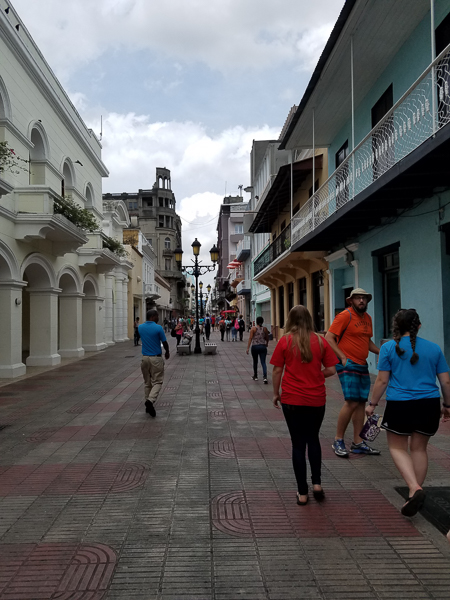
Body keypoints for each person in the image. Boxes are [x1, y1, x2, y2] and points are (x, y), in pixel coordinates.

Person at [366, 309, 450, 517]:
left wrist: (372, 404)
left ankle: (414, 488)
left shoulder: (388, 348)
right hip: (429, 404)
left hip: (400, 405)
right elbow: (446, 381)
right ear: (418, 326)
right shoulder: (434, 348)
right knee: (419, 449)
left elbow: (382, 380)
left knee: (397, 447)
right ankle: (414, 493)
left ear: (395, 327)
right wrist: (447, 405)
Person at [271, 305, 337, 505]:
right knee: (313, 439)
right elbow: (331, 369)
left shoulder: (285, 341)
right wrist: (317, 375)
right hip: (316, 399)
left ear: (290, 320)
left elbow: (277, 370)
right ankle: (317, 483)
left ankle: (302, 493)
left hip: (292, 399)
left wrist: (275, 393)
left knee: (298, 444)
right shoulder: (321, 340)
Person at [325, 288, 380, 457]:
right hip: (348, 364)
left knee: (361, 402)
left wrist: (382, 352)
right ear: (351, 301)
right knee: (351, 401)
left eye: (364, 298)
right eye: (358, 298)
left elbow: (366, 341)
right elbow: (329, 337)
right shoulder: (344, 316)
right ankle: (338, 440)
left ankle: (358, 442)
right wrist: (342, 356)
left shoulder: (367, 318)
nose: (361, 301)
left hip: (362, 364)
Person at [138, 309, 170, 417]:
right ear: (152, 317)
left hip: (144, 358)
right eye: (157, 316)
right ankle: (150, 400)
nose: (158, 318)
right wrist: (167, 352)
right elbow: (164, 342)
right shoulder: (158, 328)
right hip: (155, 358)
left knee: (147, 383)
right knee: (158, 382)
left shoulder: (140, 327)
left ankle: (148, 406)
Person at [246, 316, 270, 382]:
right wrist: (267, 343)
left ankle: (255, 376)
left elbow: (250, 338)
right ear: (262, 322)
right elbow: (267, 337)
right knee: (263, 362)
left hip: (255, 347)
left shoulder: (253, 329)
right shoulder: (265, 329)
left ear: (256, 322)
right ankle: (265, 377)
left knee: (255, 361)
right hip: (262, 346)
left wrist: (248, 348)